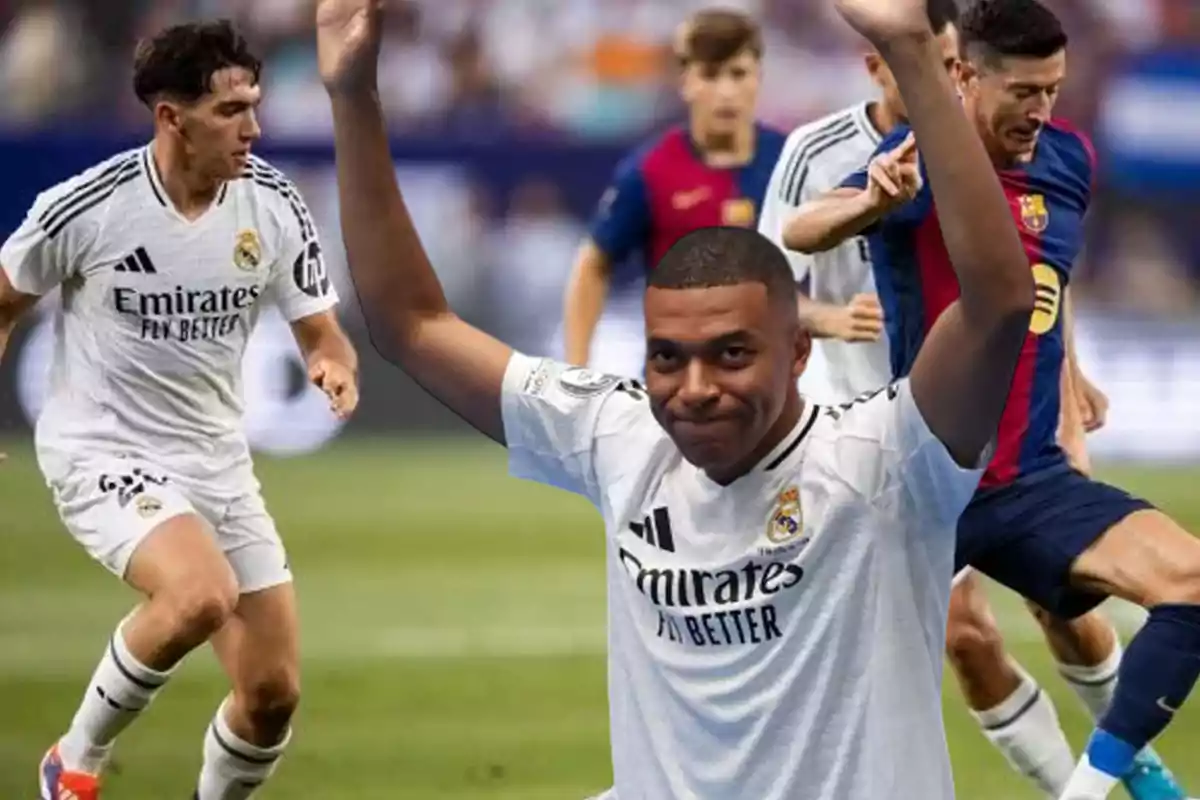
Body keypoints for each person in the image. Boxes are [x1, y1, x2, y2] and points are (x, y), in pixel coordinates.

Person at [315, 0, 1036, 796]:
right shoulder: (617, 434)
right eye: (667, 358)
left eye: (732, 355)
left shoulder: (889, 461)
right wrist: (354, 96)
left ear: (800, 350)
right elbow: (410, 323)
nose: (694, 390)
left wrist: (910, 53)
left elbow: (1000, 301)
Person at [763, 1, 1181, 797]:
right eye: (1025, 90)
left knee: (1073, 612)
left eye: (1053, 90)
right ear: (956, 75)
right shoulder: (904, 159)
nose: (1041, 108)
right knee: (955, 640)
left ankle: (1130, 777)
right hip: (912, 465)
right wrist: (871, 204)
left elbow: (1043, 277)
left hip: (1024, 469)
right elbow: (798, 234)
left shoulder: (1068, 160)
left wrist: (1069, 374)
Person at [0, 20, 358, 800]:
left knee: (271, 697)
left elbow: (321, 329)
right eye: (232, 111)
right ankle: (74, 761)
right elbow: (1, 301)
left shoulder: (272, 203)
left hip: (216, 458)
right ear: (172, 118)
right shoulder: (88, 207)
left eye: (255, 107)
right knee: (199, 596)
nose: (254, 128)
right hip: (104, 449)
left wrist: (331, 364)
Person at [561, 7, 785, 371]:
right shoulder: (652, 169)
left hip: (778, 380)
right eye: (710, 75)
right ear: (686, 81)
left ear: (758, 77)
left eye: (738, 74)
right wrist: (576, 370)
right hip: (679, 382)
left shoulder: (792, 160)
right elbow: (593, 264)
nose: (726, 91)